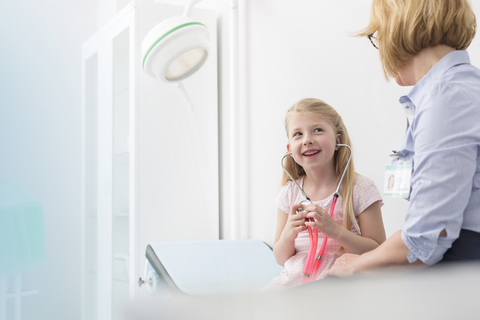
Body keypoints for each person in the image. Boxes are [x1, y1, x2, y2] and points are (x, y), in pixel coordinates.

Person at [326, 0, 480, 278]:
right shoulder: (461, 89)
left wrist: (355, 264)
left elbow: (426, 239)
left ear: (397, 29)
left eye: (377, 36)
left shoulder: (447, 98)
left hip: (463, 267)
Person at [265, 98, 386, 290]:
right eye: (298, 134)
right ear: (290, 149)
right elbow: (281, 258)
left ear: (337, 141)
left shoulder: (360, 188)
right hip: (294, 284)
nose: (307, 139)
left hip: (341, 286)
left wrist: (335, 231)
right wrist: (288, 233)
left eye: (317, 130)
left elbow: (378, 251)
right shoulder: (289, 193)